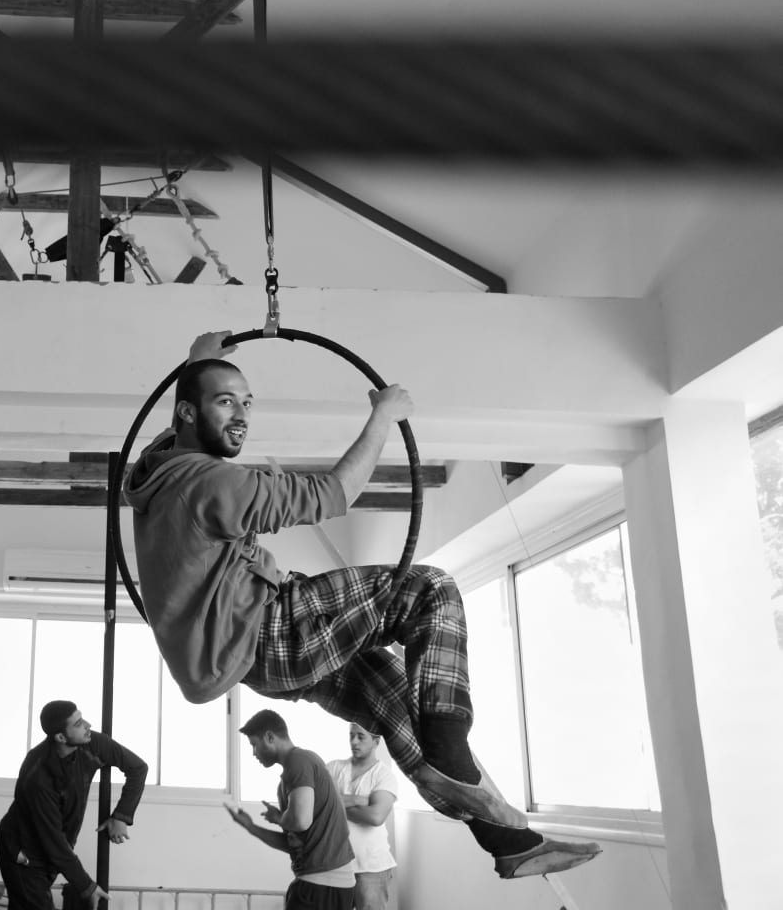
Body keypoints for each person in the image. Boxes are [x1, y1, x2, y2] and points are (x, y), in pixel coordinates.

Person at [124, 332, 601, 879]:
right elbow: (335, 494)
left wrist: (199, 365)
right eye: (225, 400)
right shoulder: (215, 483)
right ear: (188, 412)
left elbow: (170, 438)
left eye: (247, 401)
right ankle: (448, 754)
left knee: (397, 705)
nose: (241, 415)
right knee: (430, 589)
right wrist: (383, 416)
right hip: (276, 629)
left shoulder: (157, 473)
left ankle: (508, 843)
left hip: (254, 664)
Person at [0, 700, 148, 910]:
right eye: (78, 724)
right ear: (60, 737)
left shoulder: (92, 743)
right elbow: (53, 841)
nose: (88, 725)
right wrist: (87, 886)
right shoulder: (38, 776)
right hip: (23, 852)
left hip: (52, 851)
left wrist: (122, 815)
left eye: (82, 718)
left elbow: (138, 768)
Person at [228, 710, 356, 910]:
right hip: (325, 884)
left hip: (321, 886)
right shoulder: (290, 779)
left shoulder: (299, 761)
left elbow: (300, 821)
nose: (254, 753)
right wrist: (251, 827)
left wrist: (279, 819)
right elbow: (294, 844)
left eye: (254, 744)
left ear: (270, 737)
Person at [326, 724, 397, 910]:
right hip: (337, 865)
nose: (354, 742)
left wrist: (336, 805)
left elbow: (376, 817)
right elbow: (320, 803)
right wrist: (359, 800)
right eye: (351, 736)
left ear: (376, 741)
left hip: (372, 868)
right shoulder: (334, 768)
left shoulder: (384, 775)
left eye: (360, 737)